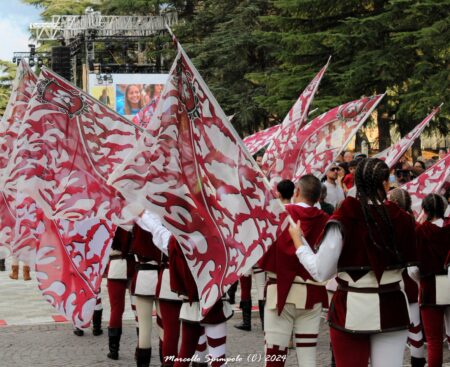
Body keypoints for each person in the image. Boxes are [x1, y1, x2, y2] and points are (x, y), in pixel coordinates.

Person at [291, 158, 417, 367]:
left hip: (351, 309)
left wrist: (298, 242)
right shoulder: (403, 219)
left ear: (356, 182)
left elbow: (321, 272)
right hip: (392, 308)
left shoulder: (345, 216)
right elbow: (414, 270)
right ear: (386, 183)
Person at [138, 211, 232, 367]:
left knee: (182, 350)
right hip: (212, 298)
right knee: (216, 357)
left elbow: (157, 231)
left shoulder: (175, 239)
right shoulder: (217, 234)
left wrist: (143, 214)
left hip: (188, 299)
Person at [260, 175, 329, 366]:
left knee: (274, 357)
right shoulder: (326, 220)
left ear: (297, 191)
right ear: (318, 197)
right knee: (308, 358)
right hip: (312, 293)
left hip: (279, 290)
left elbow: (262, 252)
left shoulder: (281, 213)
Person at [410, 194, 450, 367]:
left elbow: (413, 269)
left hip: (429, 288)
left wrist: (421, 281)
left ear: (424, 210)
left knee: (433, 340)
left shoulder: (419, 232)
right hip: (449, 284)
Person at [389, 188, 426, 367]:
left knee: (388, 328)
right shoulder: (414, 224)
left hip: (392, 280)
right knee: (415, 325)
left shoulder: (386, 223)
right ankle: (417, 361)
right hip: (410, 279)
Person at [106, 227, 136, 361]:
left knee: (116, 310)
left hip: (117, 264)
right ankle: (142, 348)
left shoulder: (110, 219)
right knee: (139, 311)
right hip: (135, 265)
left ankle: (113, 351)